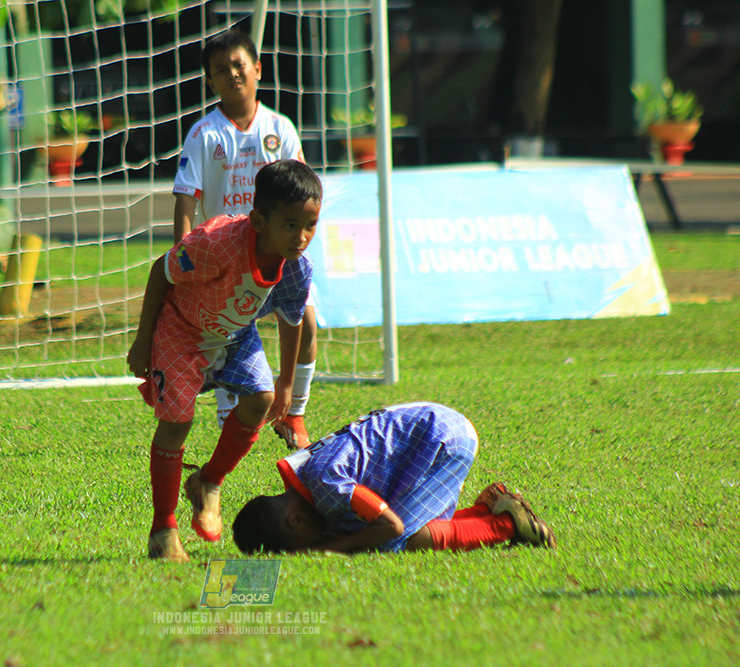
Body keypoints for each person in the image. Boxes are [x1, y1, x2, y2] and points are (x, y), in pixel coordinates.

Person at [128, 159, 322, 563]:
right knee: (176, 422)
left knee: (260, 399)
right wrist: (144, 341)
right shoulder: (215, 245)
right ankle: (163, 529)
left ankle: (208, 481)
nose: (301, 237)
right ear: (258, 221)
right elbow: (160, 273)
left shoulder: (295, 267)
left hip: (235, 335)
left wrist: (286, 385)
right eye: (290, 224)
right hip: (182, 332)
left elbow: (291, 319)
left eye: (310, 225)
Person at [173, 28, 318, 451]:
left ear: (257, 69)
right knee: (227, 332)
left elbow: (303, 190)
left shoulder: (280, 128)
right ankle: (229, 406)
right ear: (210, 81)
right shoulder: (204, 134)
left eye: (239, 65)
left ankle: (295, 413)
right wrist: (184, 257)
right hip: (226, 257)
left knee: (305, 324)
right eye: (221, 70)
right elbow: (186, 198)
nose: (232, 74)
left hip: (278, 251)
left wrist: (301, 239)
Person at [232, 402, 557, 554]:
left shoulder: (327, 487)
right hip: (429, 429)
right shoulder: (311, 485)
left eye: (306, 543)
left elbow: (392, 527)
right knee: (361, 528)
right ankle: (486, 511)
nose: (316, 542)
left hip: (444, 440)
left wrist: (329, 550)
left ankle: (506, 524)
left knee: (394, 541)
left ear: (295, 521)